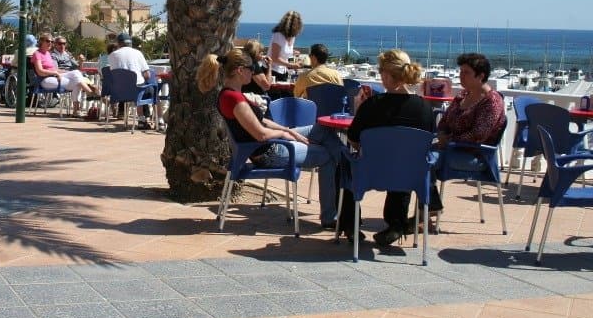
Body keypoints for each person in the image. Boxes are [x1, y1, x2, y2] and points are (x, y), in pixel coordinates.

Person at [197, 48, 345, 228]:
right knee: (327, 156)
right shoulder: (234, 99)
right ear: (239, 70)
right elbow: (260, 133)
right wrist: (285, 134)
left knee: (323, 129)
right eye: (252, 68)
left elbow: (261, 121)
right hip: (271, 153)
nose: (254, 72)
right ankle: (331, 214)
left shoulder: (231, 95)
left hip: (270, 145)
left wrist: (287, 130)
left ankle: (346, 163)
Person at [340, 49, 434, 246]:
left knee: (344, 161)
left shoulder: (373, 104)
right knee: (406, 158)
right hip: (409, 175)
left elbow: (354, 139)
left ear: (387, 74)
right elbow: (425, 144)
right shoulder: (425, 109)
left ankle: (350, 224)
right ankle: (396, 224)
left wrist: (359, 111)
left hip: (371, 172)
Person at [436, 53, 506, 150]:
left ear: (481, 76)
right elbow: (444, 121)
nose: (461, 76)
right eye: (461, 71)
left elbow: (477, 135)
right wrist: (441, 134)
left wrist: (449, 141)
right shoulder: (462, 95)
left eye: (466, 72)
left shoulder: (492, 101)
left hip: (473, 153)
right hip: (450, 147)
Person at [32, 33, 98, 116]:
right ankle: (89, 93)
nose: (50, 43)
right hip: (45, 80)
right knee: (77, 79)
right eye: (48, 41)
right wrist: (56, 73)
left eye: (51, 41)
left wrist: (68, 72)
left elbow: (55, 69)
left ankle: (76, 110)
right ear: (41, 41)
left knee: (77, 80)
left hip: (54, 77)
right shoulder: (37, 54)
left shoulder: (48, 54)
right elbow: (40, 71)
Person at [108, 32, 154, 129]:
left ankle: (138, 117)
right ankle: (152, 120)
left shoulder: (111, 55)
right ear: (130, 43)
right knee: (149, 88)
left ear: (118, 43)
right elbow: (147, 74)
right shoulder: (138, 53)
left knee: (138, 86)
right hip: (135, 92)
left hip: (118, 93)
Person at [269, 11, 302, 82]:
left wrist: (292, 52)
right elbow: (274, 58)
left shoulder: (292, 36)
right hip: (273, 72)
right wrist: (292, 65)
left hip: (284, 71)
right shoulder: (278, 35)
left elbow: (283, 50)